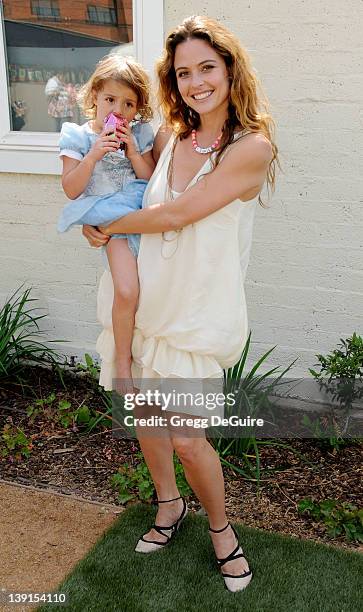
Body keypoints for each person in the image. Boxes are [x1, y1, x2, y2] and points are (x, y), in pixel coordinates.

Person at [83, 15, 278, 593]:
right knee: (145, 418)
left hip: (194, 316)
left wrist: (105, 221)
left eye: (207, 68)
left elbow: (173, 215)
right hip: (143, 304)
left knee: (191, 440)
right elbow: (120, 169)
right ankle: (168, 506)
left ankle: (223, 531)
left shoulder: (252, 149)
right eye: (184, 72)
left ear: (230, 70)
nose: (196, 82)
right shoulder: (170, 137)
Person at [58, 54, 155, 394]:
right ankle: (124, 366)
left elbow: (150, 180)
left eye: (129, 104)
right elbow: (71, 188)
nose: (119, 110)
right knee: (127, 291)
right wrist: (95, 153)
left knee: (152, 295)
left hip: (143, 217)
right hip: (111, 222)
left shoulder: (140, 135)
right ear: (95, 96)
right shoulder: (79, 136)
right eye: (111, 99)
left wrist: (132, 152)